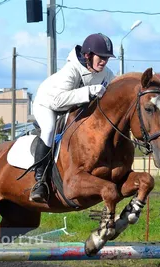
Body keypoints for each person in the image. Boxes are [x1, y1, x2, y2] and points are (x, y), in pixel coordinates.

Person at [30, 33, 116, 203]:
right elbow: (57, 101)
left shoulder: (107, 74)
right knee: (48, 129)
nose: (104, 62)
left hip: (71, 109)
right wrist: (89, 92)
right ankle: (39, 181)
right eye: (101, 57)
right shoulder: (71, 70)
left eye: (107, 58)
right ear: (87, 55)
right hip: (48, 104)